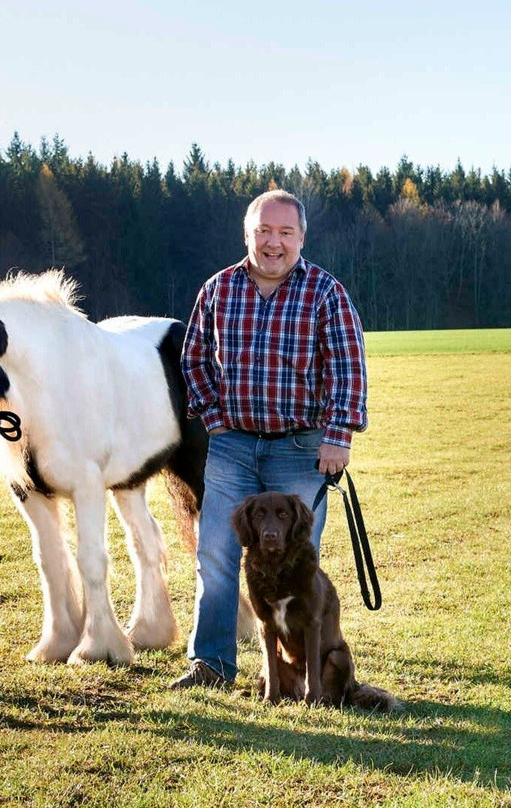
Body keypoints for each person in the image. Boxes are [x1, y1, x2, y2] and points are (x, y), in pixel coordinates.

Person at [172, 189, 368, 689]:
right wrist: (214, 419)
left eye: (284, 232)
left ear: (301, 237)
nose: (273, 242)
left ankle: (305, 677)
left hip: (301, 448)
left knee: (297, 561)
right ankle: (212, 664)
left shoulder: (325, 292)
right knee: (215, 551)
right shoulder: (218, 289)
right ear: (247, 234)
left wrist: (338, 437)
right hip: (233, 446)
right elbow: (193, 359)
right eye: (263, 231)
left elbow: (347, 369)